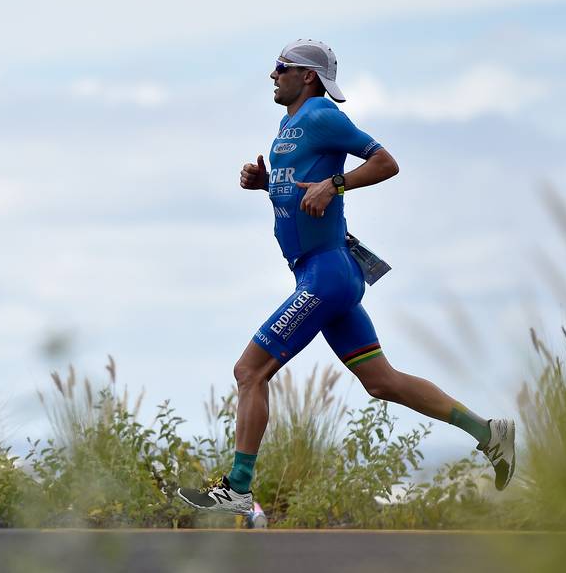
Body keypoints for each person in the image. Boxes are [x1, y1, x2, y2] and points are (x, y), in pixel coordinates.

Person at [177, 39, 515, 515]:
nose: (273, 76)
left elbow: (385, 162)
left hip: (328, 275)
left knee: (249, 372)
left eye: (281, 68)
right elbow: (301, 190)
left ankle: (237, 487)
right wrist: (264, 184)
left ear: (307, 76)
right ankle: (489, 433)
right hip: (319, 275)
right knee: (382, 381)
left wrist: (336, 184)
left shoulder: (320, 115)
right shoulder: (288, 124)